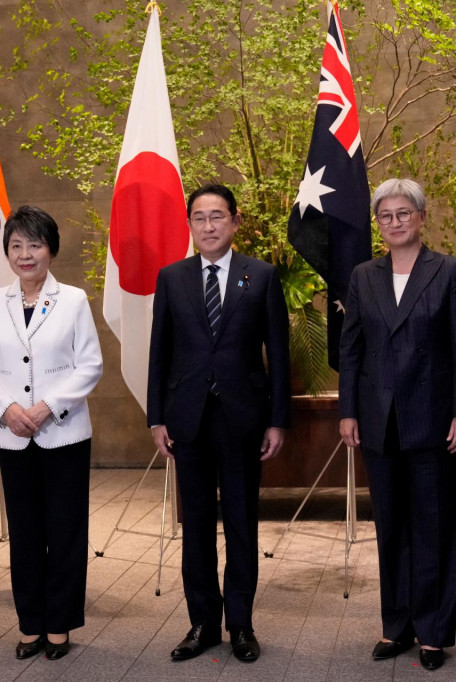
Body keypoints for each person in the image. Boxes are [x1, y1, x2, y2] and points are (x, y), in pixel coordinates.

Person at [338, 178, 456, 671]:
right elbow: (351, 348)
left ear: (421, 217)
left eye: (403, 213)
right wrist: (349, 411)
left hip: (436, 421)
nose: (394, 222)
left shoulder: (448, 271)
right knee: (391, 527)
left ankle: (435, 631)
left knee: (434, 526)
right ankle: (396, 626)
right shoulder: (363, 275)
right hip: (380, 423)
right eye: (385, 215)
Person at [147, 184, 290, 663]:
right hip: (188, 419)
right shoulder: (172, 277)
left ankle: (242, 625)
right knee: (197, 528)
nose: (208, 226)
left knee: (243, 524)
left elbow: (279, 353)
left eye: (217, 217)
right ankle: (203, 623)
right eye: (199, 218)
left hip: (243, 419)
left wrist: (277, 420)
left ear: (235, 221)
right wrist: (156, 417)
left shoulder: (262, 275)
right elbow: (159, 353)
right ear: (190, 224)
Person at [0, 205, 102, 661]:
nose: (26, 255)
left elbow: (90, 365)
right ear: (8, 252)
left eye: (35, 245)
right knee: (24, 533)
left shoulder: (75, 300)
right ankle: (30, 624)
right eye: (16, 246)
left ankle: (60, 625)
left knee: (64, 531)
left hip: (63, 434)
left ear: (52, 250)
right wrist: (7, 409)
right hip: (13, 435)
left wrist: (47, 406)